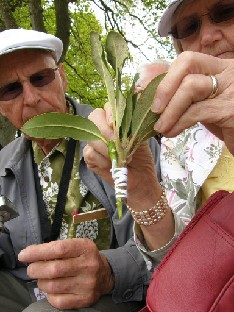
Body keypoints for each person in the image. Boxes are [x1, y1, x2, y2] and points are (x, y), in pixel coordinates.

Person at [0, 28, 161, 312]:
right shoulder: (4, 165)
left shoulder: (118, 138)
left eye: (40, 79)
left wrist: (109, 271)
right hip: (30, 287)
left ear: (62, 77)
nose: (30, 98)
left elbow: (160, 243)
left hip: (113, 293)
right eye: (10, 89)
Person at [79, 0, 234, 269]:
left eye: (227, 12)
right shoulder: (181, 138)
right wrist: (143, 192)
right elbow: (183, 270)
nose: (208, 37)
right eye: (189, 27)